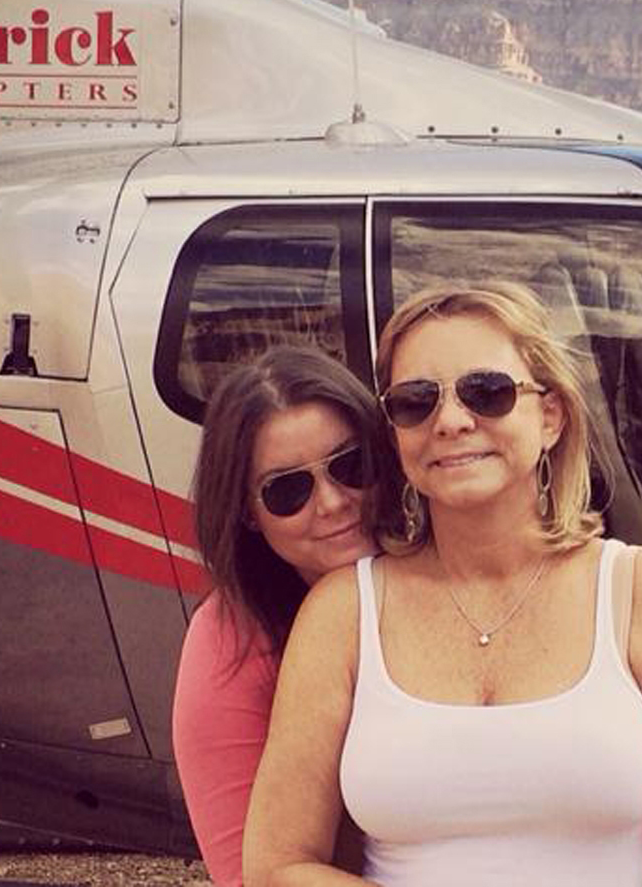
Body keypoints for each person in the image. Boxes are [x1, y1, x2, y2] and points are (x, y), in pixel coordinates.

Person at [243, 284, 642, 887]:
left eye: (486, 392)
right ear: (395, 434)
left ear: (550, 416)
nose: (452, 421)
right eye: (416, 401)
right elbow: (277, 864)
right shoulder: (342, 615)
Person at [172, 346, 386, 887]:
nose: (333, 502)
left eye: (350, 465)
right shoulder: (231, 642)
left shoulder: (443, 579)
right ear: (246, 510)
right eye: (288, 489)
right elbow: (247, 872)